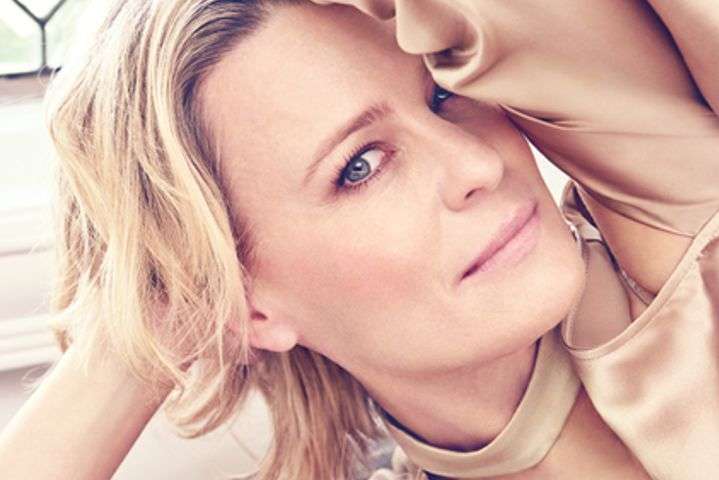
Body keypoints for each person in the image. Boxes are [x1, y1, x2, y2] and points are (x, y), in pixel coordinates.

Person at [0, 1, 716, 479]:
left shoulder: (679, 244)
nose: (475, 164)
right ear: (247, 306)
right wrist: (139, 338)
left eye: (442, 94)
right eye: (360, 167)